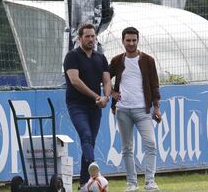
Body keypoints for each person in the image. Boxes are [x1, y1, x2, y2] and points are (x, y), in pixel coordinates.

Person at [109, 27, 161, 192]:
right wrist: (112, 92)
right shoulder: (117, 60)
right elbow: (105, 78)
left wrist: (157, 108)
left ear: (138, 41)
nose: (131, 43)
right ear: (123, 41)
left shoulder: (148, 60)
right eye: (128, 40)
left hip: (143, 110)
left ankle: (150, 182)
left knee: (151, 144)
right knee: (126, 148)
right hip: (123, 110)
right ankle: (132, 183)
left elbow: (154, 85)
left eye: (134, 40)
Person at [63, 23, 111, 191]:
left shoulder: (101, 58)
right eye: (87, 36)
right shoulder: (72, 56)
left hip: (95, 106)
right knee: (85, 135)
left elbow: (106, 80)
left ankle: (84, 184)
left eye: (93, 36)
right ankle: (94, 169)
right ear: (80, 38)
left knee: (90, 141)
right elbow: (75, 81)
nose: (91, 39)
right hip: (77, 104)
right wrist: (97, 96)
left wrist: (105, 97)